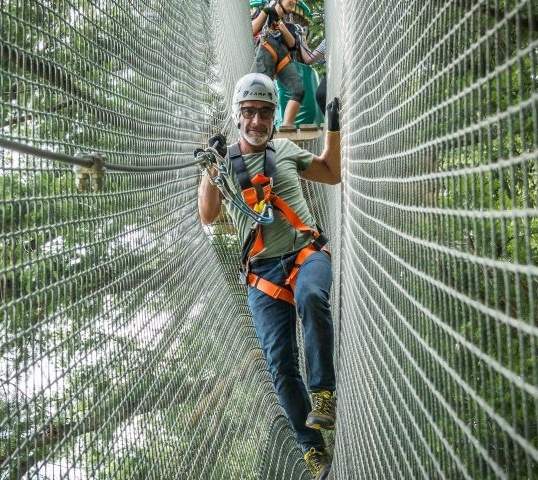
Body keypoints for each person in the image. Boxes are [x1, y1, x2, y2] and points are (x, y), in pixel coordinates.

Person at [197, 73, 342, 480]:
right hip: (262, 276)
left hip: (305, 253)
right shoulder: (224, 165)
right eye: (249, 113)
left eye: (263, 113)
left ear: (273, 116)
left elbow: (331, 173)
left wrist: (332, 128)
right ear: (238, 116)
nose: (256, 121)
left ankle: (324, 394)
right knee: (279, 363)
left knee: (313, 297)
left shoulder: (285, 149)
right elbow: (208, 215)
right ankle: (312, 450)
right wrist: (211, 169)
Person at [251, 0, 307, 128]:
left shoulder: (289, 26)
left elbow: (292, 44)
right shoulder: (262, 13)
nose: (294, 1)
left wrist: (281, 26)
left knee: (299, 90)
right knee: (265, 91)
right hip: (265, 47)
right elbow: (253, 29)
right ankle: (264, 126)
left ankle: (286, 126)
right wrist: (266, 13)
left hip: (282, 55)